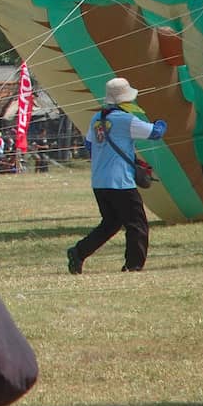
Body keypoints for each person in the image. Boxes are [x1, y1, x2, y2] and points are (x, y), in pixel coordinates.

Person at [67, 77, 167, 274]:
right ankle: (133, 265)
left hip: (99, 181)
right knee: (137, 225)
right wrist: (162, 122)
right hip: (120, 182)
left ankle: (79, 251)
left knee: (111, 223)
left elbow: (89, 145)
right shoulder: (124, 119)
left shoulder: (97, 118)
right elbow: (155, 133)